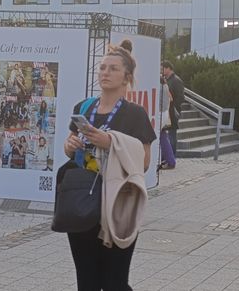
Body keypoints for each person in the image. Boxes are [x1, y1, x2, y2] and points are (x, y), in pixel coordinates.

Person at [63, 40, 156, 291]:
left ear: (127, 77)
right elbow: (68, 148)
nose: (105, 73)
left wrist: (111, 142)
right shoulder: (83, 108)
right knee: (87, 281)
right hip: (84, 202)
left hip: (118, 201)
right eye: (102, 68)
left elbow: (144, 162)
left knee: (115, 282)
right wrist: (70, 145)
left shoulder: (135, 114)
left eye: (113, 68)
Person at [161, 60, 185, 155]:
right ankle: (168, 156)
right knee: (169, 134)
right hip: (167, 110)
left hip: (173, 111)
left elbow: (181, 97)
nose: (161, 71)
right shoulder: (167, 80)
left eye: (162, 68)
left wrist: (173, 107)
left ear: (168, 68)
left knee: (172, 134)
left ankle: (172, 156)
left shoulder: (176, 80)